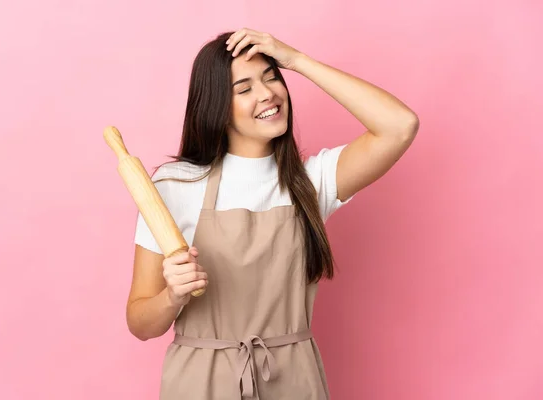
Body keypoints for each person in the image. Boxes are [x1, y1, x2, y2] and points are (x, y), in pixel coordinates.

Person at [125, 28, 419, 399]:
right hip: (200, 383)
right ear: (216, 106)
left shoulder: (311, 182)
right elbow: (140, 323)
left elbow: (400, 126)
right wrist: (173, 296)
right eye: (244, 88)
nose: (267, 94)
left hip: (293, 380)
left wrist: (298, 61)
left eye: (272, 77)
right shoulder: (174, 186)